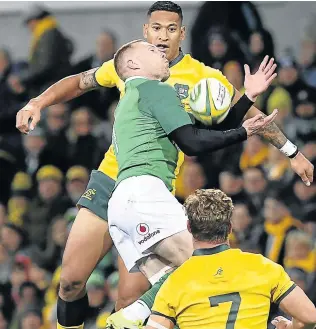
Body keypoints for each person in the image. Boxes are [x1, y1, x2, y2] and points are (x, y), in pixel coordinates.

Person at [15, 2, 313, 329]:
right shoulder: (132, 65)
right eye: (156, 28)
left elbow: (250, 117)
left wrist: (292, 152)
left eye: (171, 29)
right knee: (71, 282)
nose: (162, 36)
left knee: (135, 295)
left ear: (182, 33)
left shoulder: (202, 77)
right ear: (146, 31)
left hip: (152, 191)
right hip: (110, 184)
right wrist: (38, 102)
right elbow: (80, 82)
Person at [143, 189, 316, 329]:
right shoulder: (262, 267)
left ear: (189, 227)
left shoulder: (174, 283)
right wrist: (291, 326)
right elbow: (310, 317)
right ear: (230, 228)